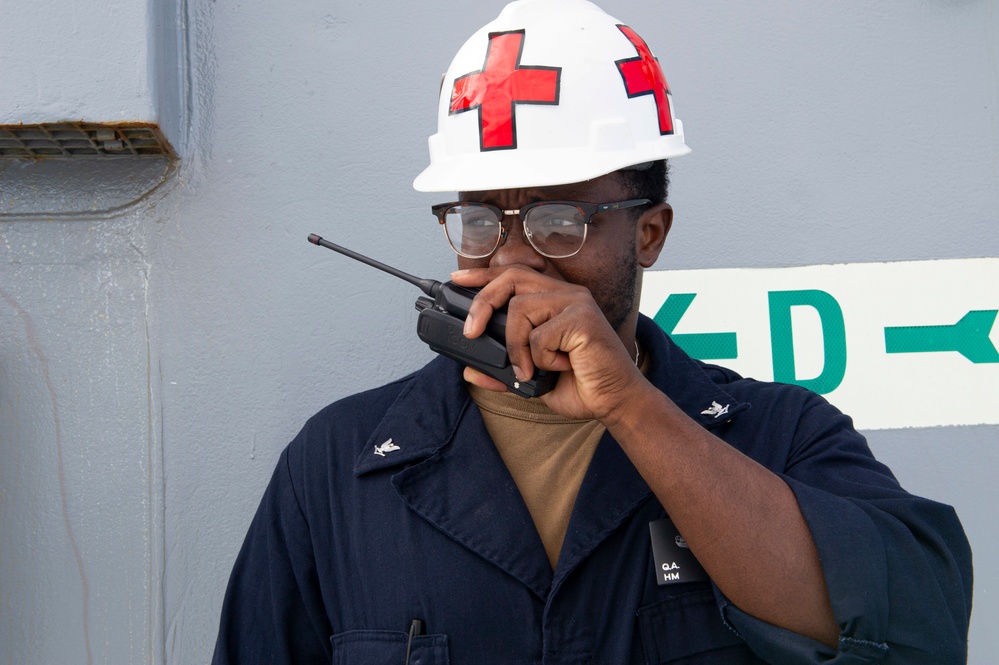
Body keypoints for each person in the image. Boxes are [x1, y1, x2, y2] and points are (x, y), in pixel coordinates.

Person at [212, 1, 973, 663]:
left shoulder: (777, 435)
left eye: (557, 220)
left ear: (648, 234)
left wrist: (632, 409)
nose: (510, 255)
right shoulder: (336, 466)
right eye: (480, 219)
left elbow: (916, 635)